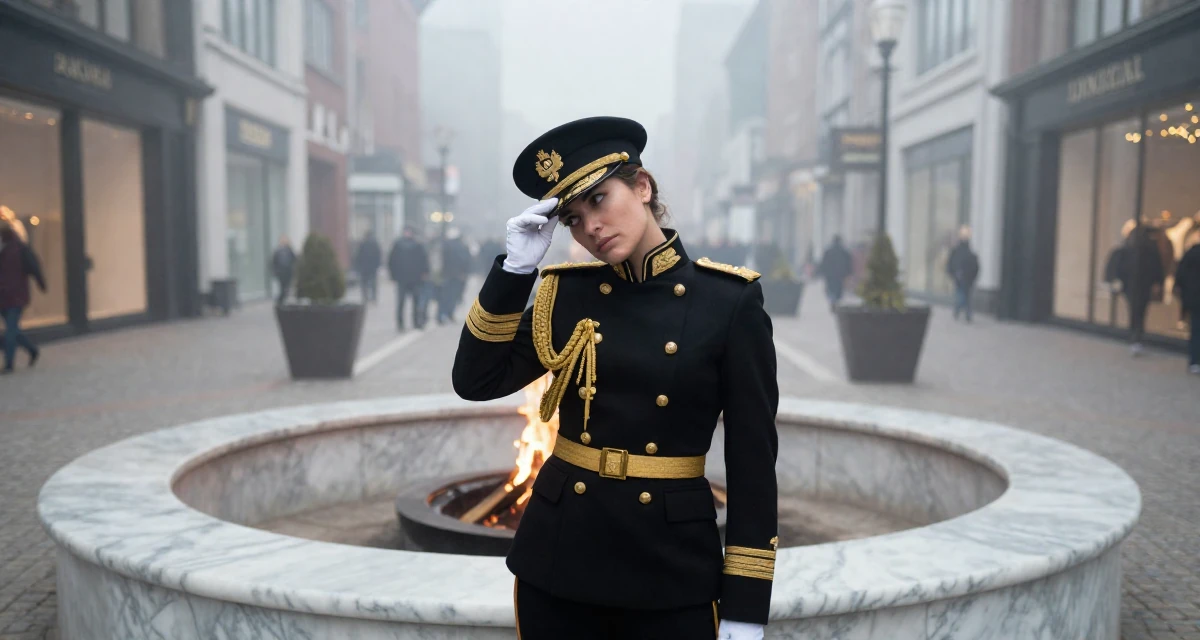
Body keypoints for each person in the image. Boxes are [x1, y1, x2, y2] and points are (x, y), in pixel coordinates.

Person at [452, 117, 778, 640]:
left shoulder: (728, 303)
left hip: (671, 571)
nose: (591, 227)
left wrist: (745, 607)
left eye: (600, 200)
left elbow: (753, 464)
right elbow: (475, 378)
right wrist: (514, 273)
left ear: (642, 187)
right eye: (574, 219)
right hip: (558, 563)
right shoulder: (567, 295)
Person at [1105, 226, 1165, 356]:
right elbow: (1157, 269)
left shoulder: (1128, 250)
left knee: (1135, 310)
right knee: (1139, 311)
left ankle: (1135, 335)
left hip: (1133, 286)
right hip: (1140, 286)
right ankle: (1136, 335)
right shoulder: (1148, 251)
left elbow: (1115, 268)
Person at [0, 221, 46, 374]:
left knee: (11, 330)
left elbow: (34, 266)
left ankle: (9, 364)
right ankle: (32, 350)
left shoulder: (19, 248)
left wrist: (41, 283)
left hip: (15, 296)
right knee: (13, 330)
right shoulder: (8, 249)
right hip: (4, 297)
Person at [388, 226, 429, 331]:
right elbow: (392, 261)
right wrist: (393, 275)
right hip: (402, 278)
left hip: (415, 278)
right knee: (401, 302)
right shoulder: (398, 245)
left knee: (415, 302)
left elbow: (424, 260)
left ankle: (416, 322)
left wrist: (424, 273)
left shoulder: (418, 245)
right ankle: (400, 323)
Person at [1173, 230, 1200, 374]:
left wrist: (1181, 290)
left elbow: (1181, 274)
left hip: (1194, 298)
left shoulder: (1191, 253)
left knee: (1195, 329)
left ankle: (1194, 360)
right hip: (1195, 297)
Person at [437, 227, 472, 324]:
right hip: (459, 275)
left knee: (444, 295)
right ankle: (449, 313)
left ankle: (441, 315)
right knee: (454, 295)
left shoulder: (445, 246)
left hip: (446, 274)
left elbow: (442, 261)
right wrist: (464, 273)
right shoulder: (463, 246)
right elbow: (467, 261)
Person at [946, 227, 980, 323]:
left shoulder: (960, 252)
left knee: (962, 295)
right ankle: (965, 312)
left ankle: (960, 311)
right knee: (965, 296)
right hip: (965, 278)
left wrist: (953, 274)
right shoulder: (967, 252)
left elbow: (951, 264)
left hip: (963, 278)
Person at [818, 235, 853, 311]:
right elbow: (849, 264)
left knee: (831, 289)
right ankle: (835, 301)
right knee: (838, 290)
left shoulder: (828, 251)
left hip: (830, 275)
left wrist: (822, 273)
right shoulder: (844, 252)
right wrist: (849, 273)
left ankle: (833, 300)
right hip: (840, 275)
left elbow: (823, 263)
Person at [353, 229, 382, 304]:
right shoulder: (375, 244)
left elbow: (357, 256)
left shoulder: (362, 244)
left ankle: (365, 297)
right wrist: (377, 265)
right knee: (373, 284)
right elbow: (379, 256)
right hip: (372, 268)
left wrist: (357, 266)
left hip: (364, 268)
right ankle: (373, 298)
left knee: (364, 283)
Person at [271, 235, 296, 306]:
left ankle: (282, 301)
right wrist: (275, 272)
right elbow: (274, 262)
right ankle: (280, 301)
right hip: (281, 273)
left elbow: (294, 259)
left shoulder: (290, 250)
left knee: (287, 288)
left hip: (288, 273)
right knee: (283, 288)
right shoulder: (277, 251)